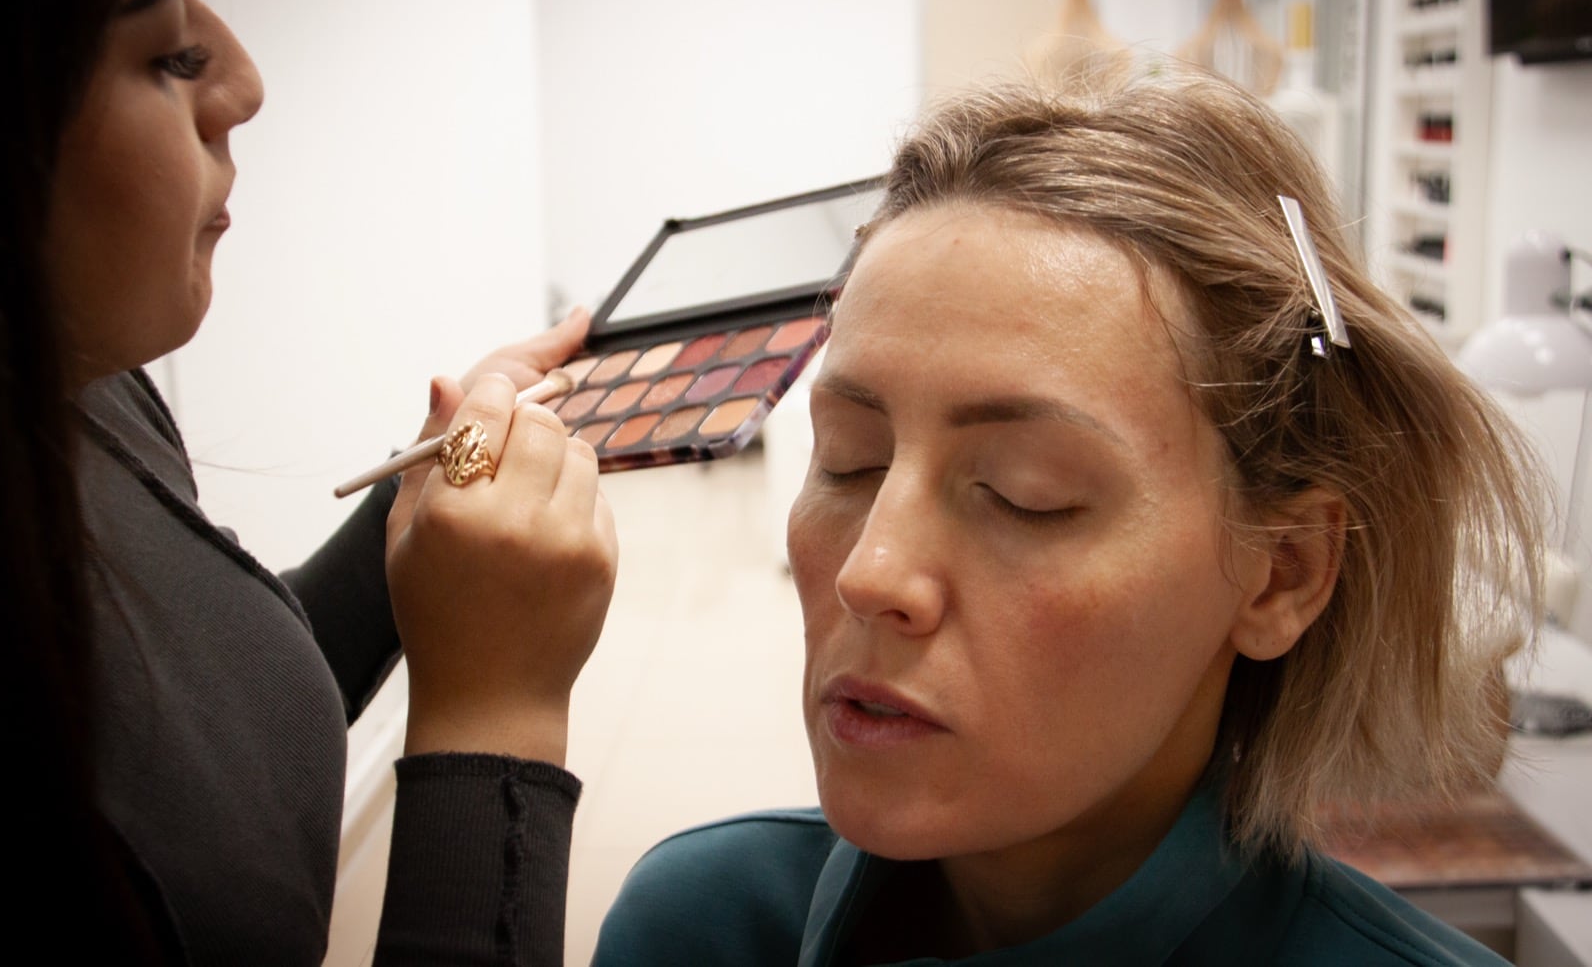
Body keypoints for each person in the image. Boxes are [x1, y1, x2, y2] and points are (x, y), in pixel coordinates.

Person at [590, 64, 1548, 964]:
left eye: (1025, 494)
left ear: (1284, 570)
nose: (869, 573)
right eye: (851, 460)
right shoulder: (701, 929)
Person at [0, 0, 614, 963]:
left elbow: (213, 709)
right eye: (164, 45)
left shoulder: (81, 384)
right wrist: (495, 708)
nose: (242, 83)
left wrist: (434, 482)